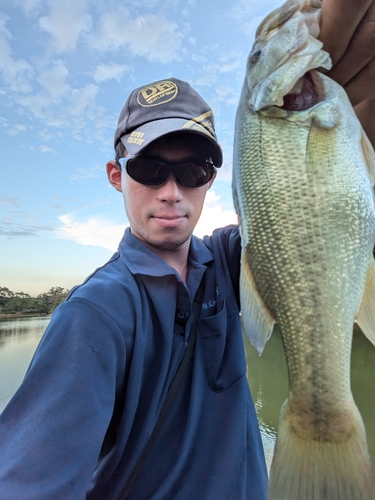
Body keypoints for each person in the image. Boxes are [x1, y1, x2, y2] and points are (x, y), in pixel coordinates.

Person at [1, 2, 375, 498]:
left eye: (193, 170)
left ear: (212, 180)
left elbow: (321, 230)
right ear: (117, 176)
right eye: (150, 169)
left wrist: (359, 134)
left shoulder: (228, 261)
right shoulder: (94, 315)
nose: (171, 191)